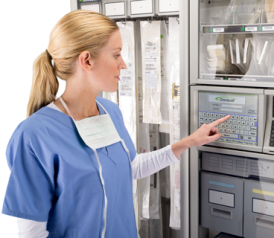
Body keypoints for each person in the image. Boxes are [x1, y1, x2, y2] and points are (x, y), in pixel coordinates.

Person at [2, 10, 229, 238]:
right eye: (117, 55)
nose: (124, 65)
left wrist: (189, 142)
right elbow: (31, 233)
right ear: (87, 60)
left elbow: (130, 167)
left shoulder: (109, 111)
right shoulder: (34, 136)